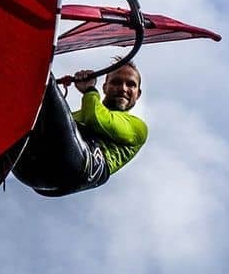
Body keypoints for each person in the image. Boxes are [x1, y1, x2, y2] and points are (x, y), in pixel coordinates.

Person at [12, 61, 148, 197]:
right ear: (105, 87)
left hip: (73, 167)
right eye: (116, 82)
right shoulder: (81, 113)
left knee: (44, 77)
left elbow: (95, 119)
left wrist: (90, 90)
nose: (123, 88)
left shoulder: (138, 128)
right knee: (26, 112)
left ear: (138, 93)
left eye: (131, 84)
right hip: (32, 171)